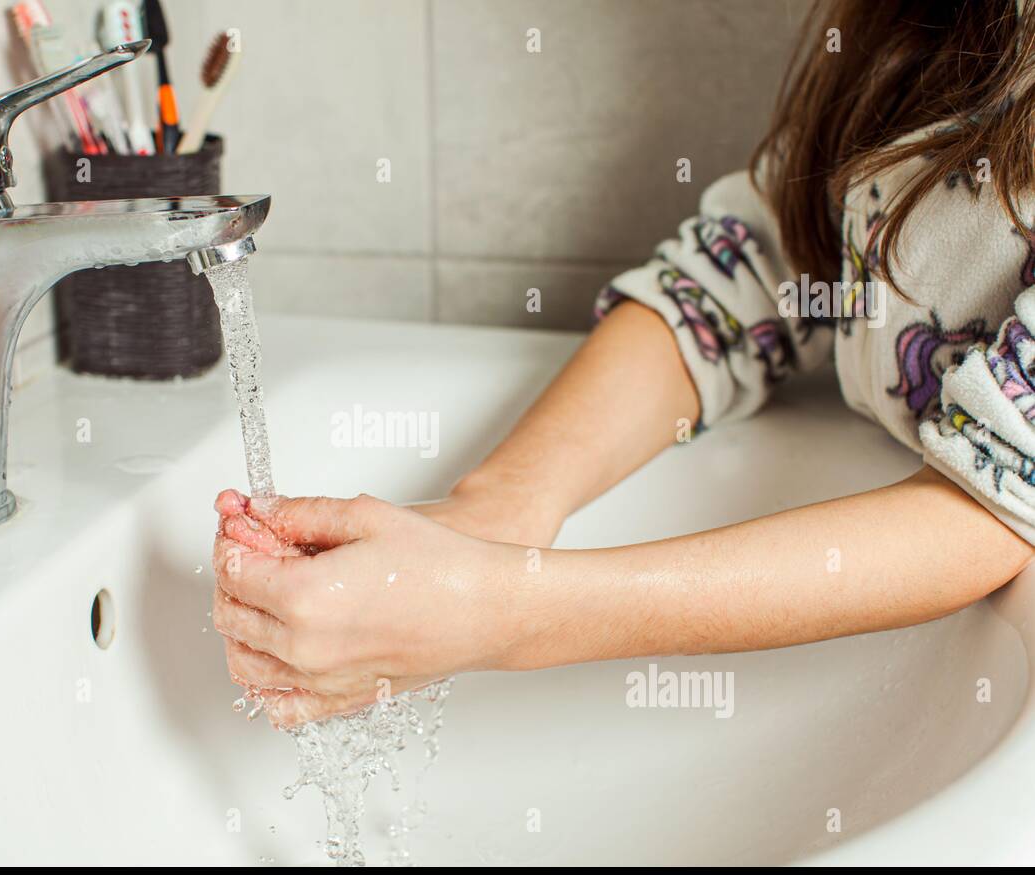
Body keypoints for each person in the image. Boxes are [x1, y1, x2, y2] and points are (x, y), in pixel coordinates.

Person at [211, 1, 1035, 726]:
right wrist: (500, 510)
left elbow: (997, 499)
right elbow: (749, 274)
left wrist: (512, 611)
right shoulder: (926, 25)